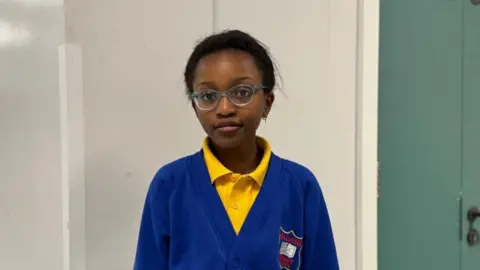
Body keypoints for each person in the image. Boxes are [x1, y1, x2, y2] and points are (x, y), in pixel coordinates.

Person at [134, 29, 339, 270]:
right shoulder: (169, 185)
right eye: (208, 96)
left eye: (242, 92)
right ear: (195, 106)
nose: (224, 108)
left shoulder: (300, 186)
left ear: (267, 103)